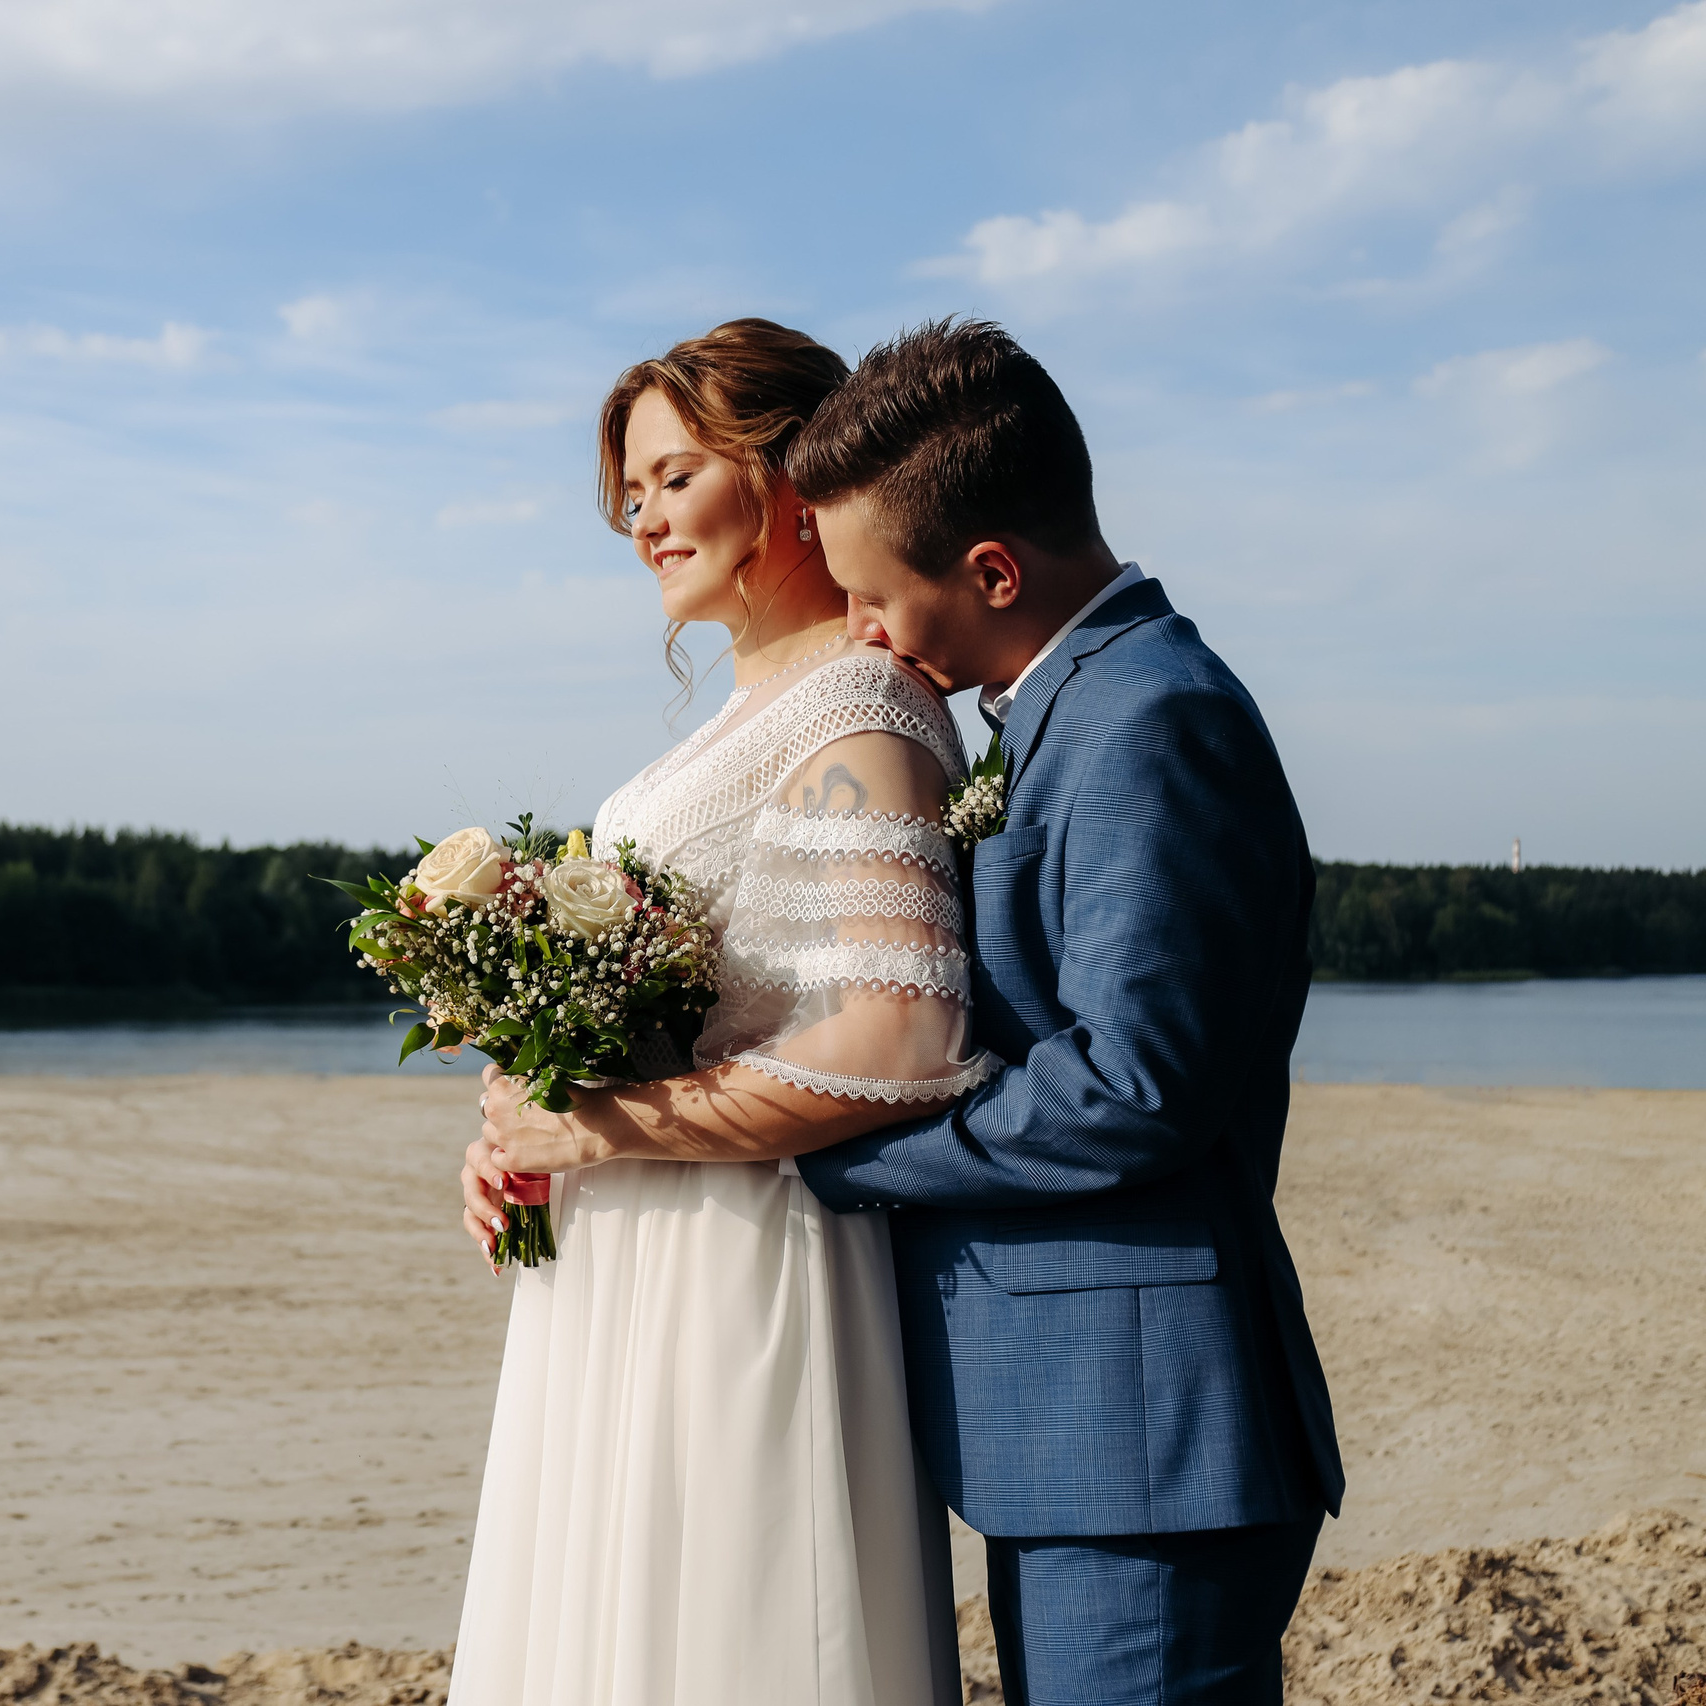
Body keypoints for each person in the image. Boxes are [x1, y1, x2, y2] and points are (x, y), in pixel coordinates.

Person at [474, 319, 1344, 1705]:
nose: (873, 628)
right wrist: (545, 1095)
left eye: (879, 589)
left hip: (1147, 1418)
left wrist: (823, 1147)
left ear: (985, 566)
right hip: (1068, 1415)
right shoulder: (1056, 714)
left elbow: (1131, 1083)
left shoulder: (1148, 716)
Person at [446, 318, 980, 1706]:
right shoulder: (731, 724)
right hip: (625, 1260)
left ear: (791, 472)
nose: (645, 521)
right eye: (633, 495)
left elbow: (894, 1033)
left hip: (745, 1259)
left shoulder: (855, 709)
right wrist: (519, 1117)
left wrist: (599, 1118)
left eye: (676, 477)